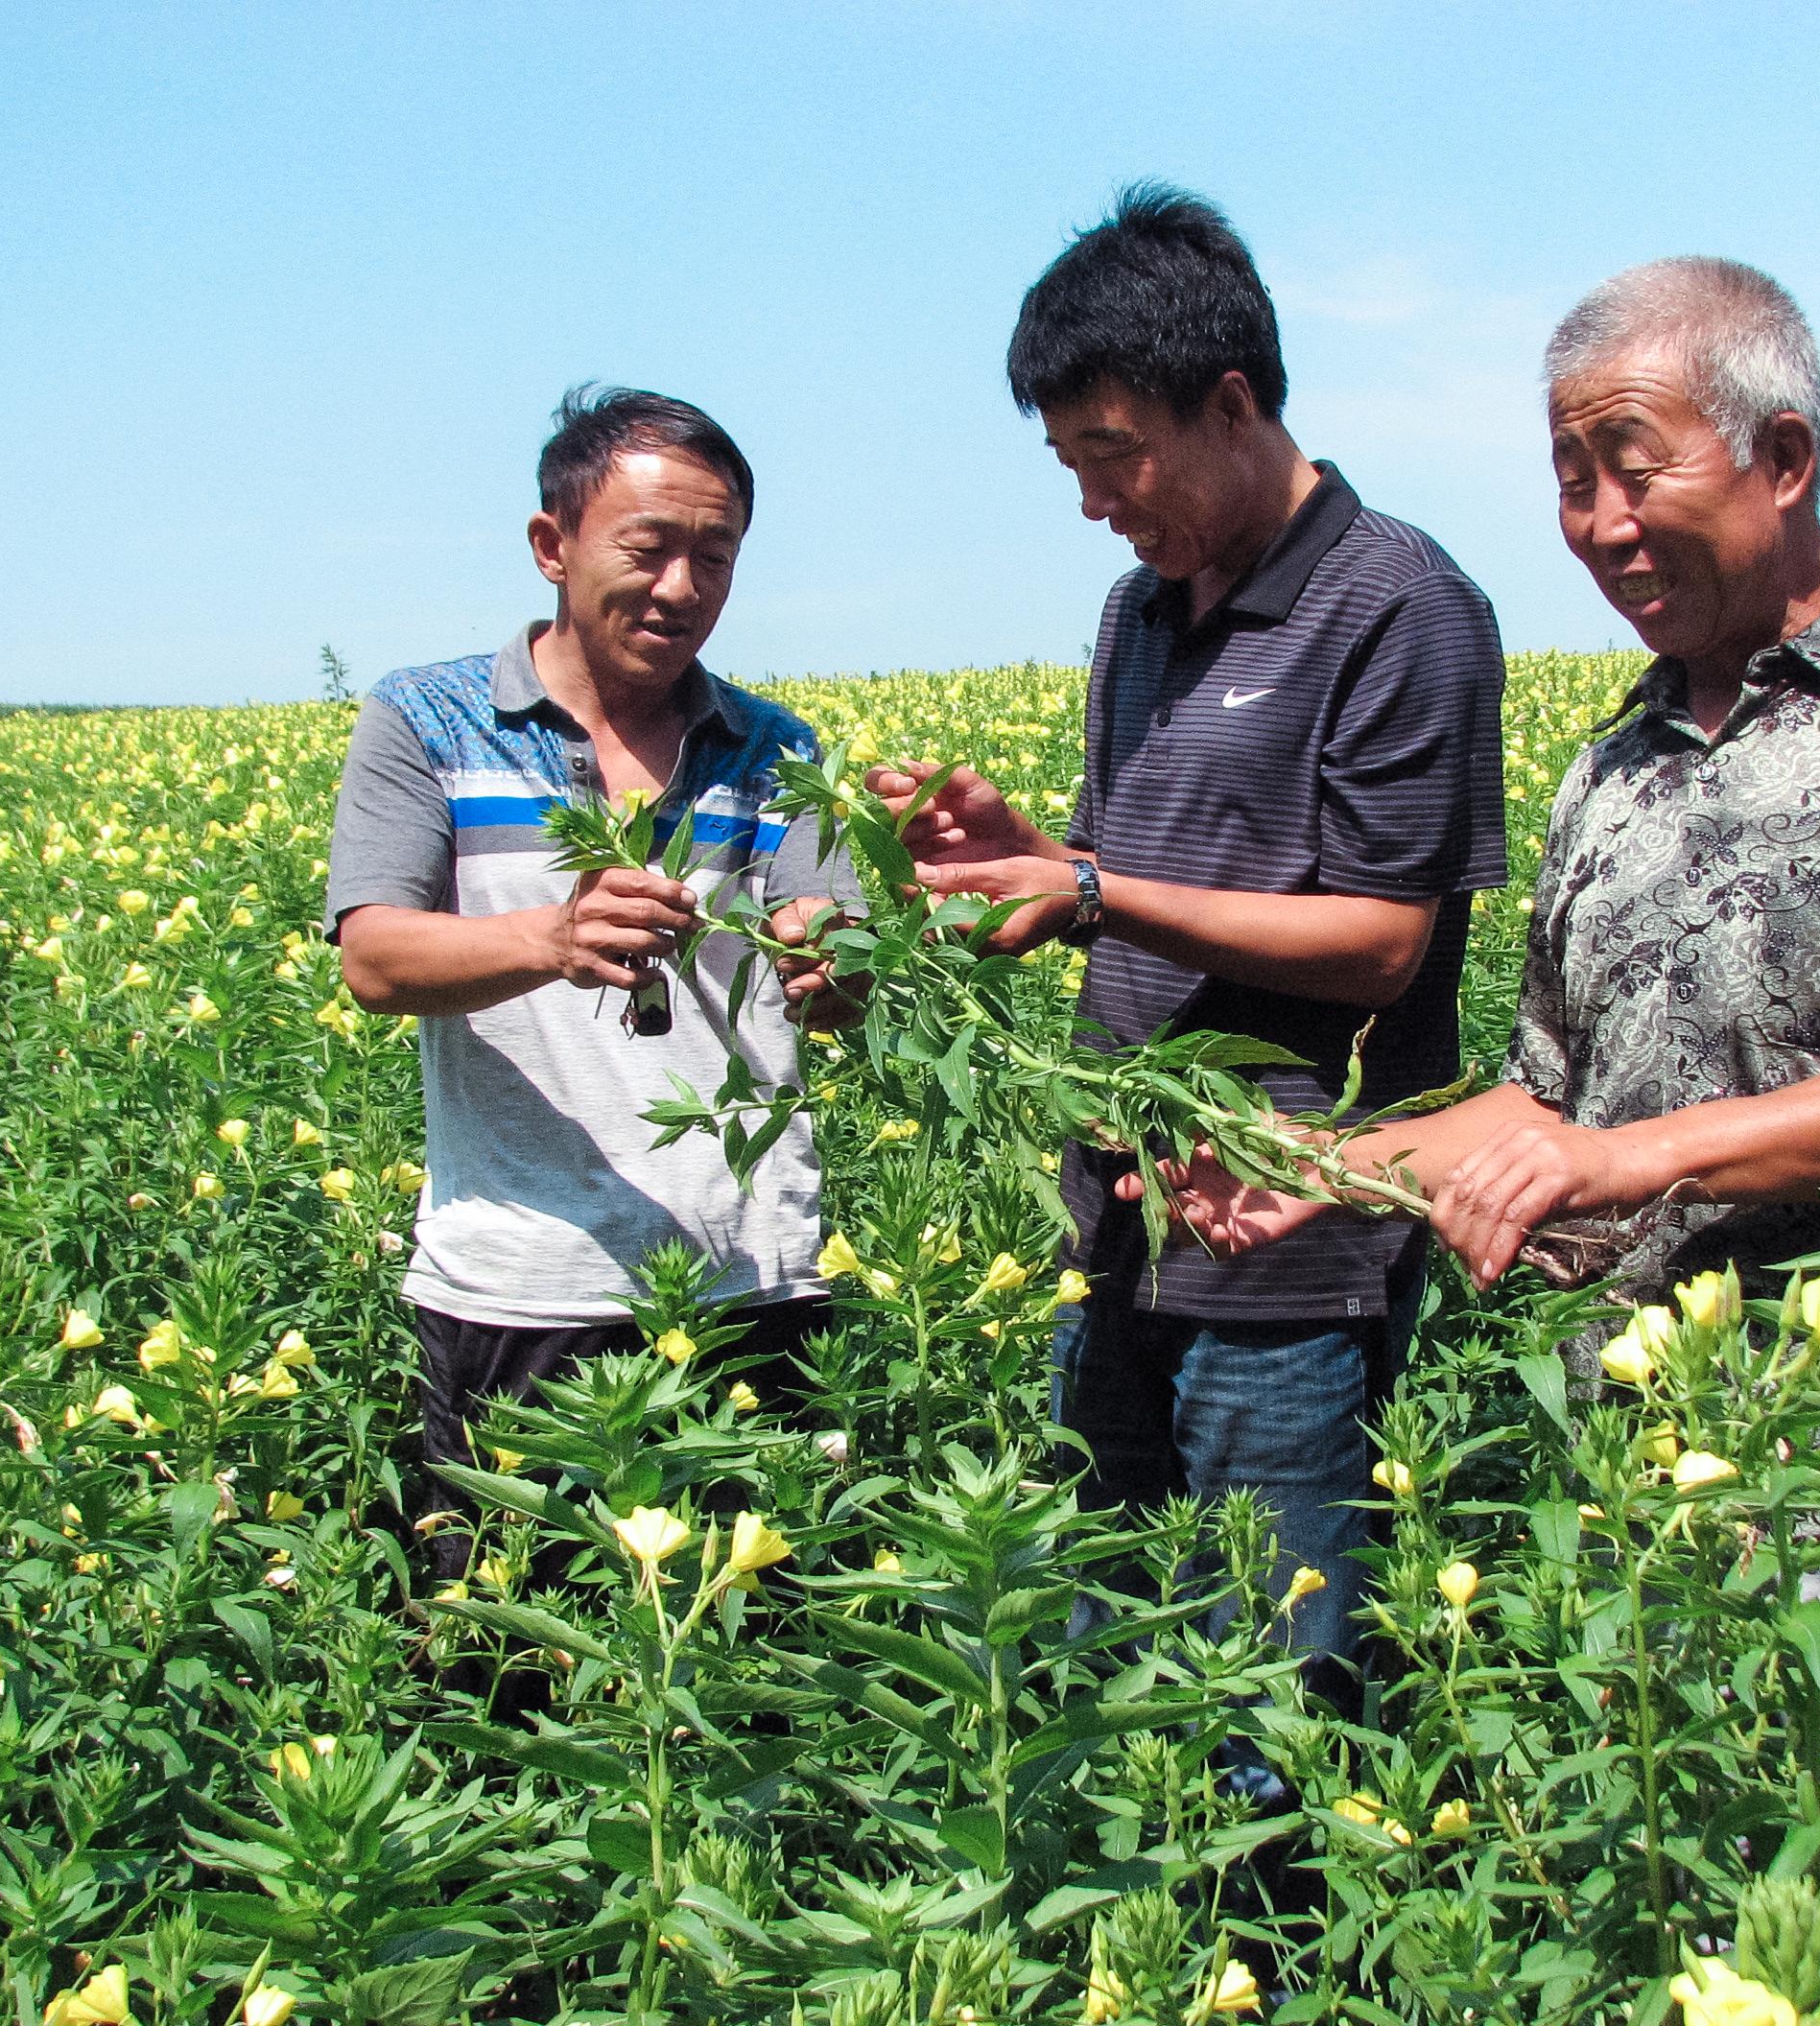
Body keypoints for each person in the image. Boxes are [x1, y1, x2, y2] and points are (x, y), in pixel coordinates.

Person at [1153, 257, 1820, 1376]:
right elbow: (1548, 1105)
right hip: (1637, 1443)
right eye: (1571, 483)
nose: (1604, 525)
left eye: (1636, 471)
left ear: (1784, 459)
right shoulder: (1612, 769)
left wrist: (1628, 1162)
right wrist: (1317, 1169)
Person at [867, 186, 1509, 1671]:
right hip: (1126, 1223)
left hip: (1295, 1242)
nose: (1098, 501)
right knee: (1100, 1643)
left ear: (1231, 404)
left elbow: (1380, 940)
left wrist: (1092, 891)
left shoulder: (1399, 604)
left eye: (1115, 455)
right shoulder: (1137, 614)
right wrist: (1035, 857)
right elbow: (1135, 867)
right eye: (1070, 466)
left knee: (1276, 1683)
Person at [324, 386, 852, 1556]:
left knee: (754, 1669)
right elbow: (373, 955)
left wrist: (847, 952)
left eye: (715, 557)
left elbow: (839, 978)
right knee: (509, 1684)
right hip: (521, 1288)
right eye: (648, 548)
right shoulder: (431, 720)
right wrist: (552, 940)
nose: (682, 588)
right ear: (551, 547)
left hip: (748, 1284)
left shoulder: (777, 751)